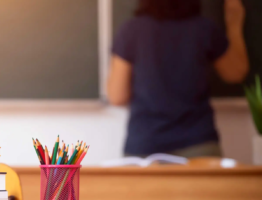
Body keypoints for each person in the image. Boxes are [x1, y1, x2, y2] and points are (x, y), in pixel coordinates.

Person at [107, 0, 249, 157]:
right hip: (198, 143)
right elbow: (235, 72)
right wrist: (234, 25)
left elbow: (117, 96)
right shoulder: (204, 28)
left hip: (144, 145)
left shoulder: (130, 31)